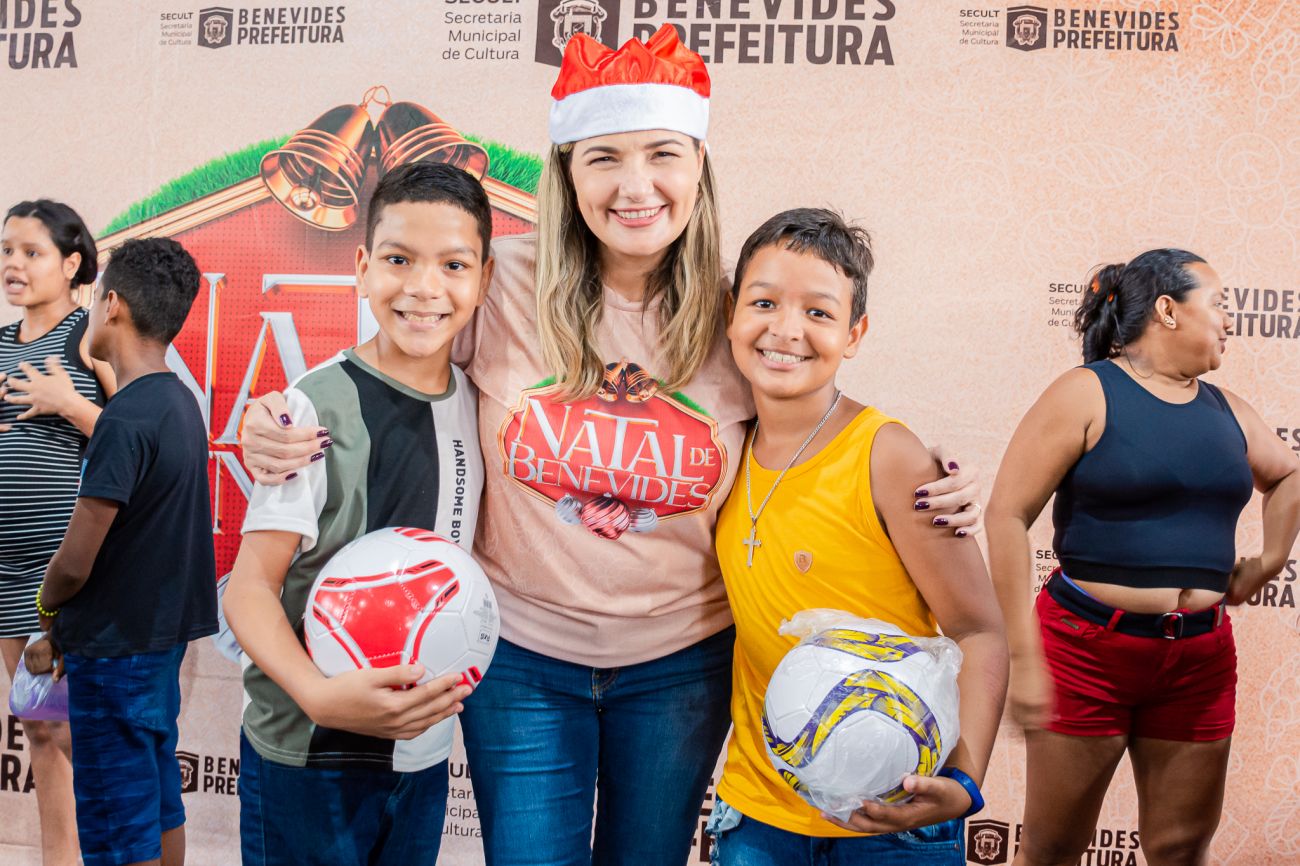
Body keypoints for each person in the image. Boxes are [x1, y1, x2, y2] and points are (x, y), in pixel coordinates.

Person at [238, 27, 981, 866]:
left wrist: (927, 477)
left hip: (680, 666)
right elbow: (394, 358)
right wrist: (278, 414)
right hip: (521, 661)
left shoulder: (741, 311)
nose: (636, 186)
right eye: (603, 158)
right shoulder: (499, 280)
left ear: (698, 166)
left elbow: (819, 424)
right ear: (567, 173)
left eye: (662, 154)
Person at [709, 208, 1008, 865]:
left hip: (895, 817)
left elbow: (979, 629)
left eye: (818, 312)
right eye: (764, 302)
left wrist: (964, 780)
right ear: (731, 312)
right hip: (758, 812)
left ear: (854, 334)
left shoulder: (887, 455)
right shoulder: (719, 448)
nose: (787, 330)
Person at [985, 249, 1300, 866]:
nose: (1229, 321)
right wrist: (1022, 657)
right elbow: (1006, 515)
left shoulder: (1227, 409)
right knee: (1052, 850)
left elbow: (1288, 475)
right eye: (1217, 304)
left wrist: (1268, 560)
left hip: (1199, 660)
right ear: (1167, 310)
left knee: (1180, 850)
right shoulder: (1087, 392)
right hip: (1085, 651)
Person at [222, 161, 489, 866]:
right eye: (399, 260)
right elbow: (249, 590)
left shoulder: (483, 404)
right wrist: (317, 695)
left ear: (485, 278)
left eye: (453, 265)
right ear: (364, 267)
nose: (424, 287)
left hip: (423, 757)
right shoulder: (312, 407)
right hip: (307, 754)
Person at [22, 237, 219, 866]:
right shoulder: (179, 402)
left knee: (116, 828)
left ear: (113, 307)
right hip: (156, 646)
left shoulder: (125, 419)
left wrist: (47, 612)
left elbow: (75, 560)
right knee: (158, 804)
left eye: (95, 294)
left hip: (113, 654)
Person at [0, 199, 116, 866]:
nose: (13, 265)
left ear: (72, 265)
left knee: (75, 731)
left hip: (63, 571)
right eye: (7, 251)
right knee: (39, 728)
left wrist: (67, 403)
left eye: (31, 252)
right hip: (5, 567)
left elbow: (140, 439)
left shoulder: (89, 338)